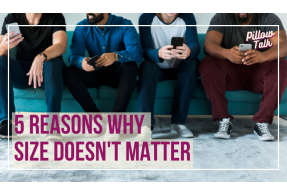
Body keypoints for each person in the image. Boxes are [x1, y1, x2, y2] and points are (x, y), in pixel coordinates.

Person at [199, 13, 287, 141]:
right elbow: (209, 45)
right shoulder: (222, 17)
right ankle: (224, 119)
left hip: (258, 74)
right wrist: (227, 53)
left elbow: (284, 45)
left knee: (282, 63)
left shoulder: (268, 18)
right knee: (208, 62)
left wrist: (263, 56)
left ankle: (262, 122)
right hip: (231, 74)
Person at [63, 13, 143, 141]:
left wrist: (116, 56)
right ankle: (95, 119)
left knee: (130, 67)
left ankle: (115, 123)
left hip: (118, 73)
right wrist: (82, 62)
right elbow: (73, 57)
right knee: (70, 72)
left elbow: (137, 52)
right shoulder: (82, 27)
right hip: (95, 72)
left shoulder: (124, 24)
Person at [134, 13, 200, 143]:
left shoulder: (188, 17)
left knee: (192, 62)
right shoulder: (146, 18)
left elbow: (195, 44)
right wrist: (158, 53)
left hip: (179, 66)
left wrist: (189, 51)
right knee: (146, 66)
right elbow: (145, 49)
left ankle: (179, 122)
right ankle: (146, 126)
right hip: (156, 68)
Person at [0, 13, 67, 139]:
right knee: (1, 60)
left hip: (48, 73)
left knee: (53, 62)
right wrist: (3, 47)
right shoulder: (12, 18)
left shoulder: (55, 16)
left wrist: (41, 57)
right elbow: (0, 51)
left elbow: (61, 46)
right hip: (23, 73)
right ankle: (7, 122)